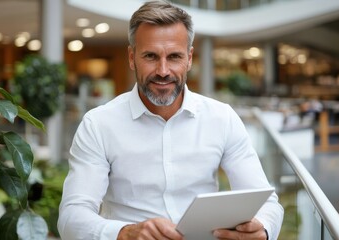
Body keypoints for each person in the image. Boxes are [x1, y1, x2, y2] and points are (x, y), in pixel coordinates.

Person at [58, 1, 284, 239]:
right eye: (151, 56)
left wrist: (263, 229)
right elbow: (72, 218)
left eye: (174, 56)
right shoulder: (99, 124)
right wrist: (125, 233)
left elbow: (267, 201)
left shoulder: (222, 118)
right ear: (132, 57)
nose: (163, 70)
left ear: (189, 58)